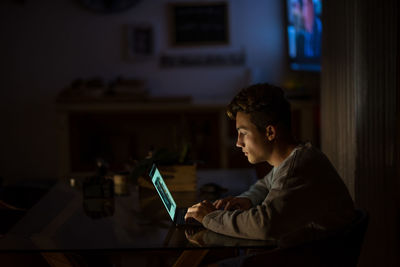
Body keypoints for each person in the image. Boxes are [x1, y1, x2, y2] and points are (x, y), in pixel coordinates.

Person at [184, 83, 355, 246]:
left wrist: (211, 217)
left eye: (243, 133)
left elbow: (264, 225)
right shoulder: (296, 158)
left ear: (270, 132)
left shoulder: (297, 169)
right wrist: (247, 200)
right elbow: (266, 185)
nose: (238, 143)